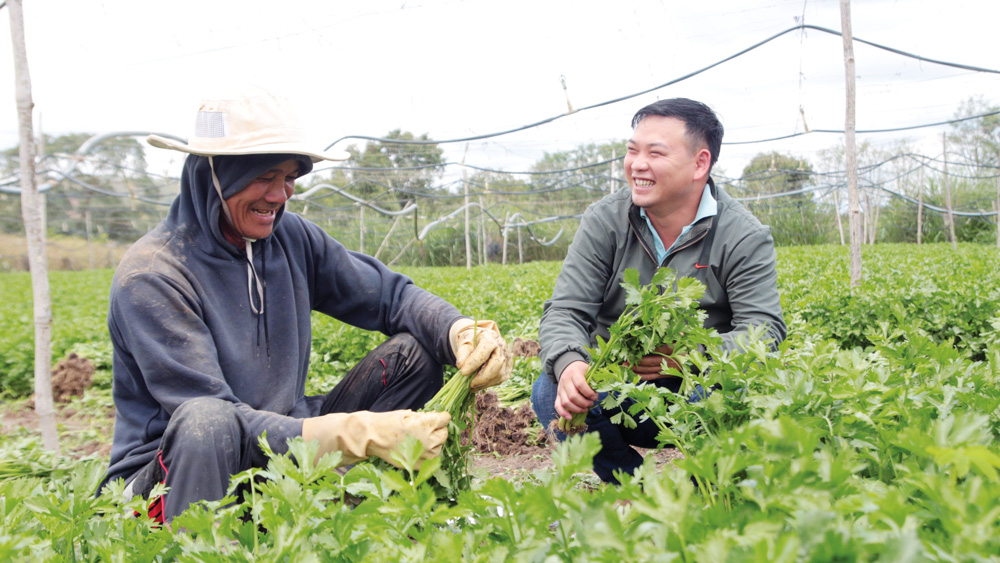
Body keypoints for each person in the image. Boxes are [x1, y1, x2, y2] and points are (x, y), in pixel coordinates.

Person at [98, 86, 512, 523]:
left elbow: (391, 296)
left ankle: (366, 513)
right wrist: (356, 434)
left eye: (289, 178)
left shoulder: (290, 238)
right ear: (216, 175)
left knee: (415, 356)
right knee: (208, 421)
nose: (280, 195)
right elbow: (224, 425)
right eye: (263, 177)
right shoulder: (153, 274)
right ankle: (201, 544)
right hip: (175, 475)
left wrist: (460, 331)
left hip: (277, 455)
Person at [532, 98, 786, 484]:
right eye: (633, 150)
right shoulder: (605, 221)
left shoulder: (743, 235)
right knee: (550, 391)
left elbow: (764, 328)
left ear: (700, 163)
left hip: (699, 393)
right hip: (619, 388)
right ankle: (636, 488)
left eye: (655, 153)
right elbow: (565, 310)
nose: (637, 164)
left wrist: (689, 357)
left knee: (743, 396)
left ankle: (709, 487)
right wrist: (571, 364)